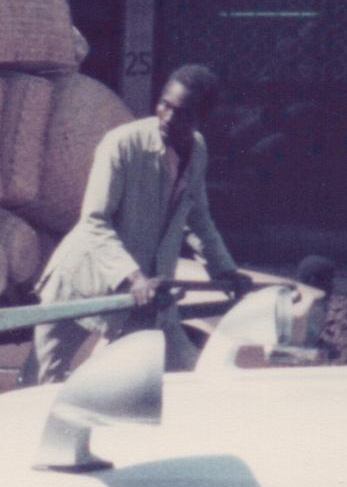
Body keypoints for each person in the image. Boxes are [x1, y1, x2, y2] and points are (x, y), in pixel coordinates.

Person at [29, 64, 252, 383]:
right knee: (40, 384)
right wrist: (133, 278)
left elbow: (198, 218)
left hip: (144, 292)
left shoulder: (197, 150)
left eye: (183, 113)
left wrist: (225, 272)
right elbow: (95, 220)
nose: (168, 118)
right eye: (165, 105)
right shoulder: (122, 144)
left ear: (201, 119)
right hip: (80, 282)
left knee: (183, 375)